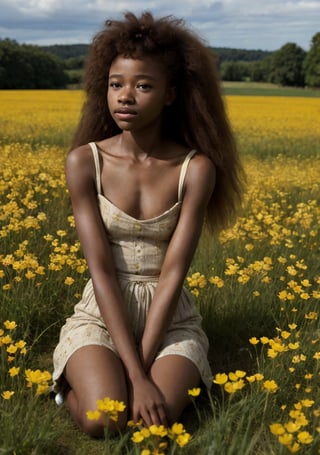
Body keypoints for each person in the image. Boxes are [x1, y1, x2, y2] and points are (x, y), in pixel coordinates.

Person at [52, 11, 244, 438]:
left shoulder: (195, 169)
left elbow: (174, 271)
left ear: (171, 94)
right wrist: (137, 377)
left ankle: (128, 374)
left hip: (170, 315)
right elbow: (100, 269)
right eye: (116, 84)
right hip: (102, 313)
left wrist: (141, 363)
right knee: (105, 418)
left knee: (149, 423)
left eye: (143, 85)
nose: (125, 96)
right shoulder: (85, 162)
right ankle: (70, 390)